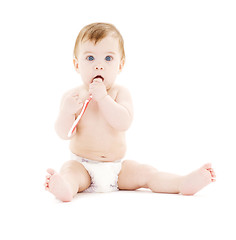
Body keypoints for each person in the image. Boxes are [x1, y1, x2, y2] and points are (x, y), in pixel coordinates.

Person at [44, 22, 216, 202]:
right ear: (76, 64)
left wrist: (104, 99)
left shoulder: (120, 93)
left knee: (146, 172)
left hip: (117, 169)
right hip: (83, 167)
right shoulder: (73, 97)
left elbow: (123, 122)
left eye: (108, 58)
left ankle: (181, 182)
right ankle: (66, 187)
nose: (99, 66)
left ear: (120, 65)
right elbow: (63, 133)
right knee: (69, 170)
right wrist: (66, 112)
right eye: (90, 58)